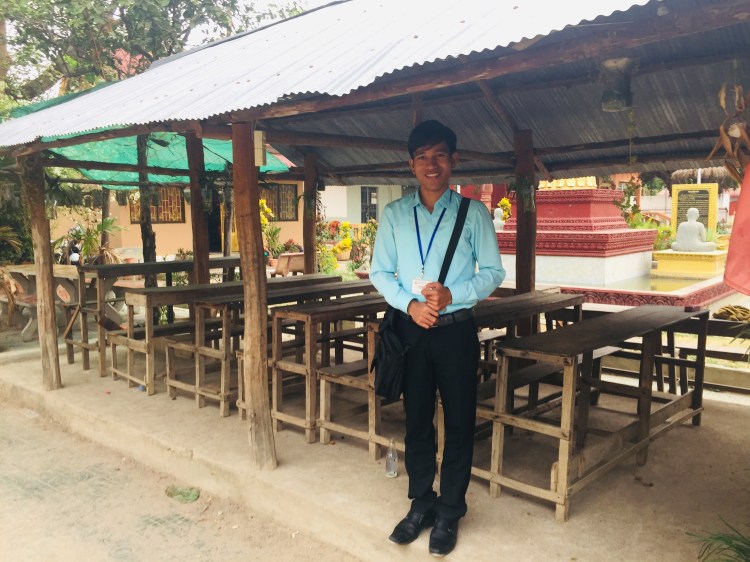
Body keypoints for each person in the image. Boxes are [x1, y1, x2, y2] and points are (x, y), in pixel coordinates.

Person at [370, 120, 505, 556]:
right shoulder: (395, 214)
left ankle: (450, 510)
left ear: (454, 160)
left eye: (440, 155)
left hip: (455, 331)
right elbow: (380, 272)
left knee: (461, 421)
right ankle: (422, 502)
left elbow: (493, 272)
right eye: (423, 157)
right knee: (416, 420)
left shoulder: (473, 213)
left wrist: (453, 295)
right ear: (411, 164)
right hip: (412, 330)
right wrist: (409, 305)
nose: (432, 165)